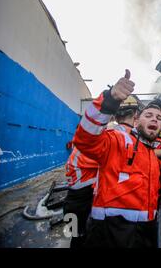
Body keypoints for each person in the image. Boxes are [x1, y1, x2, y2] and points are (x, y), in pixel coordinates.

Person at [73, 70, 161, 248]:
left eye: (159, 118)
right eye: (149, 115)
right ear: (136, 121)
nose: (154, 118)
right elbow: (85, 139)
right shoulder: (118, 140)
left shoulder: (151, 156)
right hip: (110, 235)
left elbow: (143, 187)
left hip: (144, 234)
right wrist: (110, 100)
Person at [63, 95, 142, 248]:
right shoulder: (116, 138)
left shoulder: (94, 137)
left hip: (73, 197)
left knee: (73, 235)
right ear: (135, 115)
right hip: (84, 197)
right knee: (83, 237)